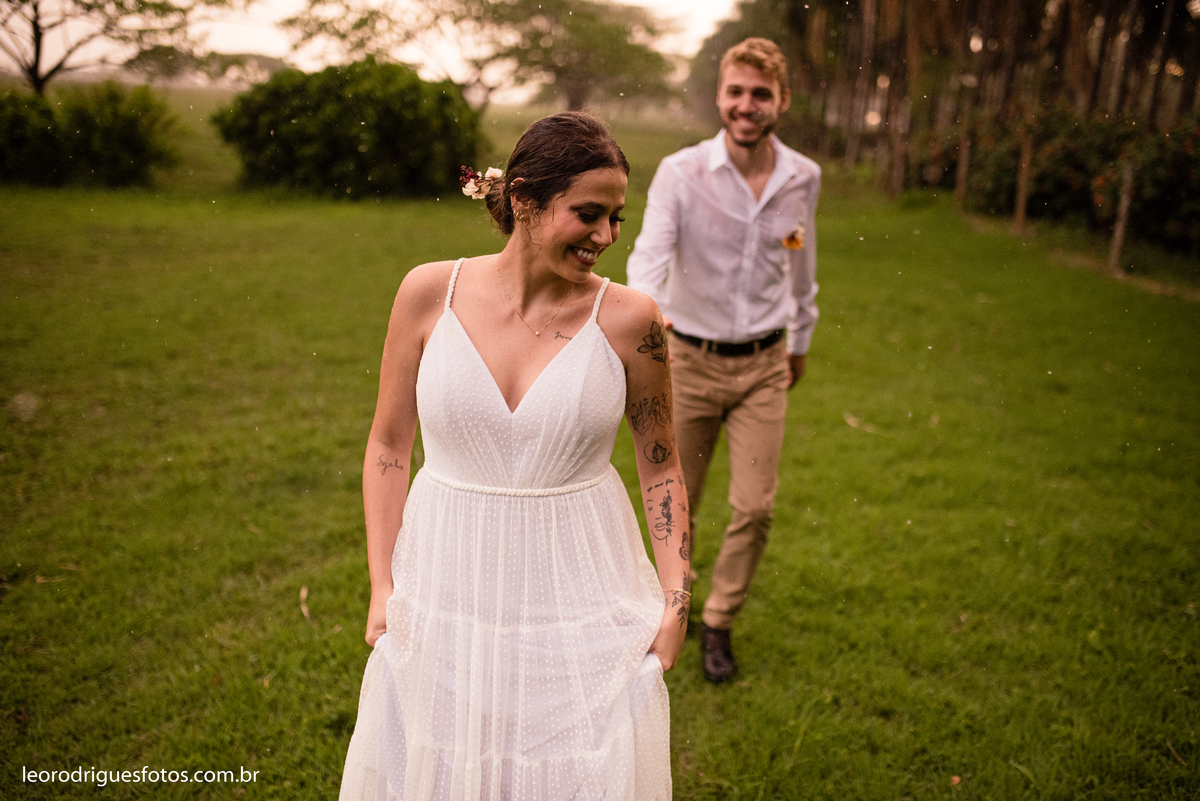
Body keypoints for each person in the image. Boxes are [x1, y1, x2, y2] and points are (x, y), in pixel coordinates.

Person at [338, 111, 691, 801]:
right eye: (588, 213)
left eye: (617, 217)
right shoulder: (425, 294)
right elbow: (387, 444)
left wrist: (677, 596)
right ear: (525, 198)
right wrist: (383, 583)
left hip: (580, 589)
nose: (607, 237)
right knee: (444, 762)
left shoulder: (631, 319)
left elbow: (661, 463)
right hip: (446, 583)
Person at [626, 37, 820, 684]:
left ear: (781, 101)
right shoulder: (681, 174)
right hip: (689, 360)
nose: (746, 105)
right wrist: (653, 324)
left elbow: (801, 266)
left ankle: (720, 621)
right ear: (719, 96)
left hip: (765, 363)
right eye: (736, 92)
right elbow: (646, 261)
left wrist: (798, 342)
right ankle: (667, 608)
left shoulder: (803, 178)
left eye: (760, 94)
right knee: (678, 500)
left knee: (756, 506)